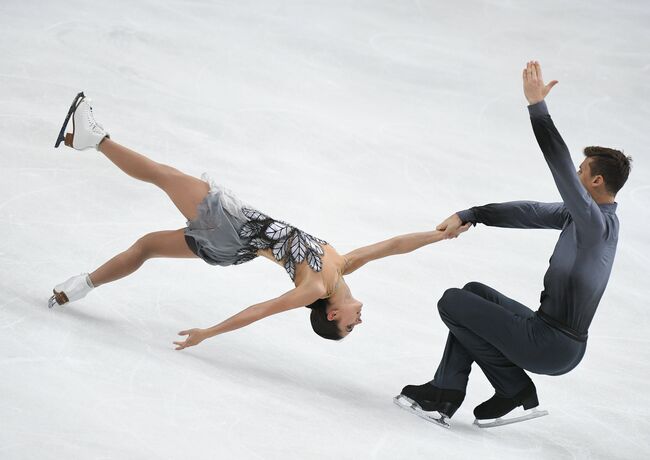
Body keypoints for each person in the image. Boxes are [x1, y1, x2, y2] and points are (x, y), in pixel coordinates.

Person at [49, 93, 470, 347]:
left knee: (166, 176)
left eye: (347, 328)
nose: (358, 322)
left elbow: (262, 309)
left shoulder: (316, 287)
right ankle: (78, 287)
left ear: (329, 314)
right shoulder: (341, 266)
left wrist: (208, 333)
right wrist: (438, 236)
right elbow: (392, 246)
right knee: (146, 246)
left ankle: (95, 138)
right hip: (233, 243)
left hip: (232, 228)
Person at [394, 61, 632, 429]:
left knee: (452, 302)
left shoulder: (595, 223)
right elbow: (529, 211)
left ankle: (492, 388)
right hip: (550, 333)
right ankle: (472, 391)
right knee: (473, 295)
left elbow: (559, 167)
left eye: (583, 171)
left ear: (597, 181)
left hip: (552, 344)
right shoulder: (581, 217)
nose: (577, 173)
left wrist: (537, 107)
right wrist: (472, 213)